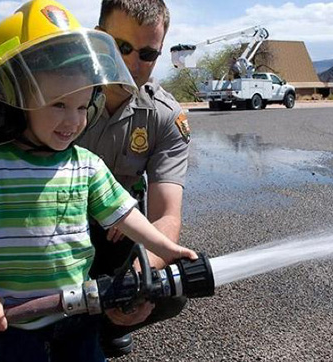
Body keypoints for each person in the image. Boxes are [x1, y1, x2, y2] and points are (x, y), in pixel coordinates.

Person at [0, 1, 197, 361]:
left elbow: (140, 215)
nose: (73, 121)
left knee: (150, 300)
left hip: (84, 290)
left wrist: (150, 270)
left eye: (147, 53)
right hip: (20, 309)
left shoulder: (99, 155)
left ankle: (111, 326)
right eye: (58, 105)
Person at [76, 0, 192, 356]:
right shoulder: (59, 96)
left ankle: (105, 322)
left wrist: (140, 275)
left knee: (169, 288)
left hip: (117, 230)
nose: (131, 63)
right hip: (50, 224)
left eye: (147, 53)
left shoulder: (164, 118)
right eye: (121, 46)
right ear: (98, 36)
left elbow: (167, 217)